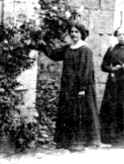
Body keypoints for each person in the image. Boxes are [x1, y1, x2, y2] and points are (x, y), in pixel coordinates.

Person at [37, 22, 101, 152]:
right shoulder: (68, 48)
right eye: (71, 32)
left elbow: (86, 71)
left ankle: (79, 142)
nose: (73, 34)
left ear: (82, 34)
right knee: (68, 111)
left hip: (80, 87)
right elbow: (54, 55)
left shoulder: (85, 50)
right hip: (68, 86)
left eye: (76, 32)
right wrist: (42, 44)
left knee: (79, 113)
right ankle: (66, 141)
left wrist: (82, 88)